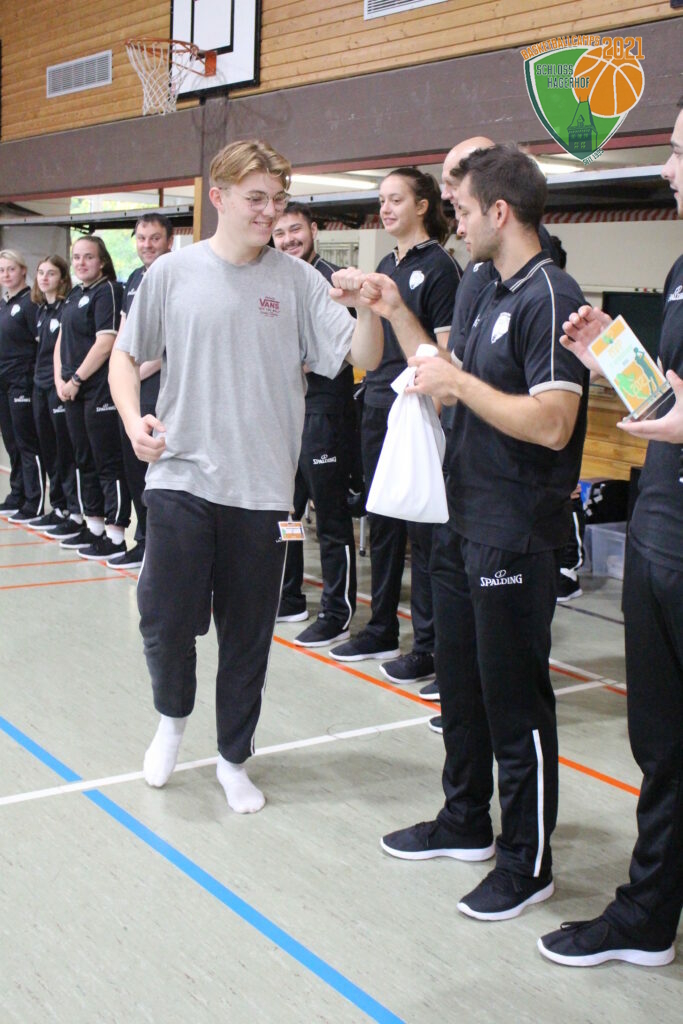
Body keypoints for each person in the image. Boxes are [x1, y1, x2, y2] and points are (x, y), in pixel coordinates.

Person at [109, 138, 383, 814]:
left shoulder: (297, 281)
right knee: (164, 617)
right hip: (179, 475)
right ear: (219, 197)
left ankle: (233, 758)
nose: (269, 212)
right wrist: (132, 420)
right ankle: (172, 719)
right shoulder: (172, 273)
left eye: (278, 201)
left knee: (247, 636)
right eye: (256, 199)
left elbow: (363, 356)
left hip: (262, 492)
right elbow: (125, 356)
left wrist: (369, 305)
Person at [369, 145, 588, 921]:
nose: (455, 225)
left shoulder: (550, 296)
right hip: (459, 517)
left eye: (461, 212)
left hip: (515, 531)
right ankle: (464, 818)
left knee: (513, 702)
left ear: (499, 211)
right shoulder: (478, 286)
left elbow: (553, 423)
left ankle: (526, 862)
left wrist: (457, 380)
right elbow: (443, 383)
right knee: (459, 687)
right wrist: (395, 312)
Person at [538, 106, 683, 967]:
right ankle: (648, 914)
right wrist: (614, 362)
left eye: (678, 152)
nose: (666, 169)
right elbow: (667, 403)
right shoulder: (679, 268)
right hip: (661, 535)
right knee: (661, 744)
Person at [330, 167, 461, 691]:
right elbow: (370, 349)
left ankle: (428, 647)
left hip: (419, 409)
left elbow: (444, 353)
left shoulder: (442, 269)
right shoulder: (385, 265)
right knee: (382, 522)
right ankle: (381, 627)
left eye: (396, 199)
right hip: (378, 404)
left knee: (424, 533)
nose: (385, 209)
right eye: (381, 200)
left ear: (423, 205)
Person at [271, 202, 357, 646]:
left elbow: (344, 347)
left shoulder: (333, 281)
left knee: (331, 519)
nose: (288, 239)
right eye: (280, 233)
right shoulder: (276, 278)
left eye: (295, 230)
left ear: (314, 230)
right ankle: (289, 596)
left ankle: (337, 611)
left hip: (325, 412)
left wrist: (291, 360)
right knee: (288, 513)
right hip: (287, 414)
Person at [54, 235, 131, 560]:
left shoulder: (108, 291)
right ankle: (95, 527)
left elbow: (105, 342)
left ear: (102, 261)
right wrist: (61, 379)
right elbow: (61, 340)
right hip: (72, 391)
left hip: (97, 390)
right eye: (77, 257)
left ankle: (116, 535)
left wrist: (76, 378)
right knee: (83, 459)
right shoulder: (75, 294)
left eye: (88, 257)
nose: (81, 262)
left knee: (106, 461)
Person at [108, 214, 174, 570]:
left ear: (169, 241)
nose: (147, 244)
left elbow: (173, 344)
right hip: (134, 385)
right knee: (133, 467)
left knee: (155, 471)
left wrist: (137, 368)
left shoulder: (175, 274)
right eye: (142, 238)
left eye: (155, 238)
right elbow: (123, 336)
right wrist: (120, 372)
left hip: (159, 387)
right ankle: (143, 540)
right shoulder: (134, 278)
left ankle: (160, 546)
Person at [27, 255, 81, 534]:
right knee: (48, 449)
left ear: (62, 278)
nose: (44, 278)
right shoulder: (41, 311)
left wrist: (64, 381)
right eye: (41, 273)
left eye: (51, 273)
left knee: (64, 451)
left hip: (57, 388)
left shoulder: (65, 309)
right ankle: (58, 507)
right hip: (39, 385)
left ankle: (75, 511)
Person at [0, 249, 44, 522]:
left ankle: (34, 500)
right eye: (2, 270)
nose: (6, 275)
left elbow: (41, 345)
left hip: (22, 383)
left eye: (11, 269)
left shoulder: (31, 303)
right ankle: (17, 493)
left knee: (27, 442)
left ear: (23, 270)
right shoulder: (4, 304)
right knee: (11, 442)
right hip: (3, 383)